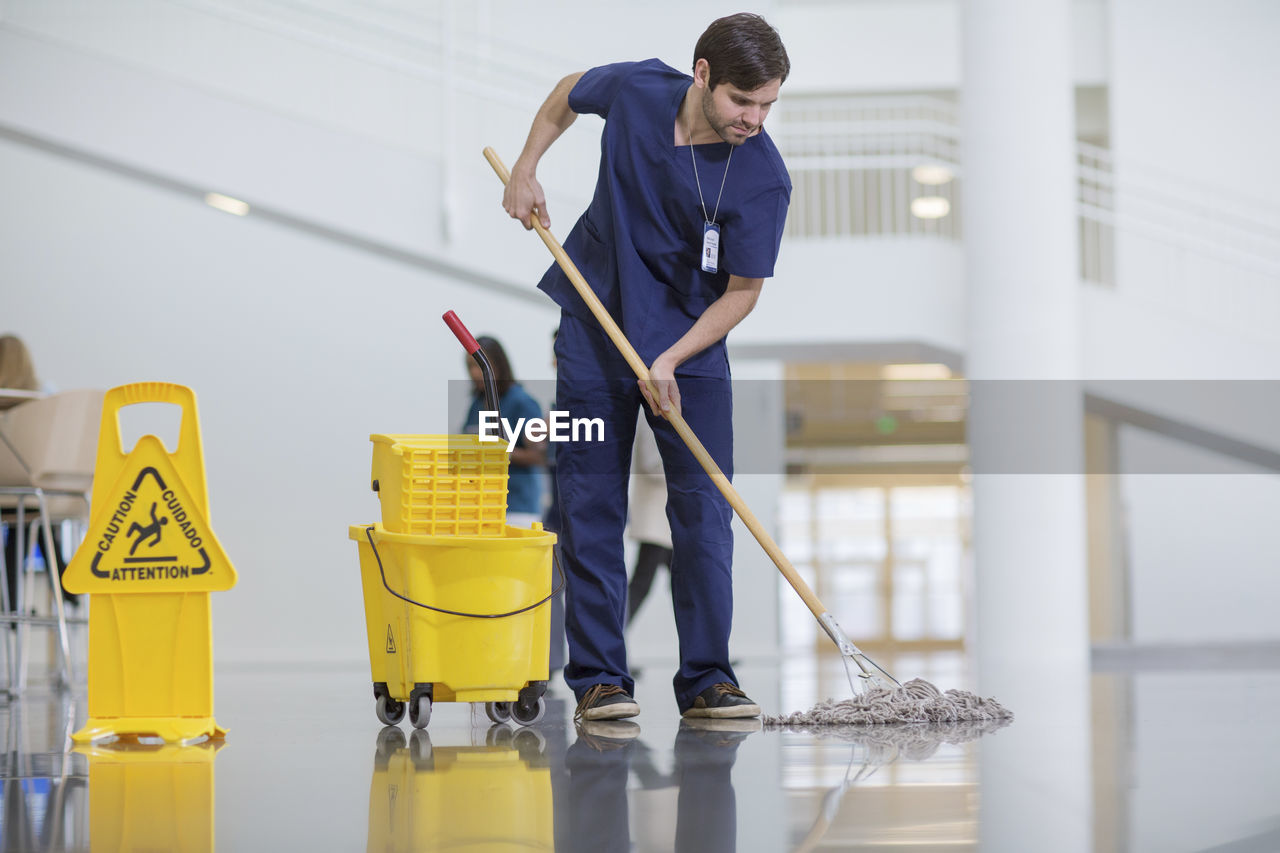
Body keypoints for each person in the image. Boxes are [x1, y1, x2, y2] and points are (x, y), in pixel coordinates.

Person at [502, 13, 791, 722]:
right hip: (594, 324)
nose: (753, 119)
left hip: (689, 349)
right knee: (588, 501)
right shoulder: (636, 90)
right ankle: (600, 679)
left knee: (702, 510)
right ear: (701, 75)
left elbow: (743, 292)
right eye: (741, 102)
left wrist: (670, 355)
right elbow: (567, 94)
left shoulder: (763, 179)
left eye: (767, 106)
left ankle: (708, 679)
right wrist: (525, 167)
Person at [461, 336, 547, 528]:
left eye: (479, 365)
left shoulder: (522, 403)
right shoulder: (475, 405)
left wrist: (496, 451)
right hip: (480, 506)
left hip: (517, 507)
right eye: (470, 366)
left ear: (498, 364)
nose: (475, 373)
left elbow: (538, 456)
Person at [625, 416, 672, 626]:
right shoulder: (650, 417)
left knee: (690, 585)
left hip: (668, 524)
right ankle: (612, 643)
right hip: (655, 521)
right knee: (640, 586)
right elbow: (651, 464)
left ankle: (707, 648)